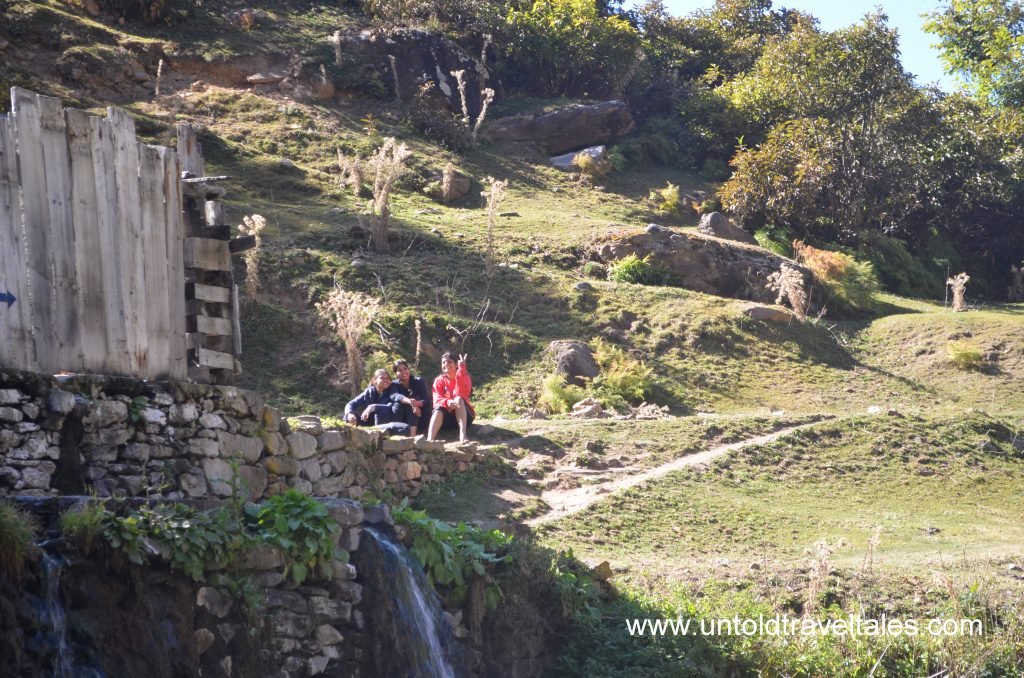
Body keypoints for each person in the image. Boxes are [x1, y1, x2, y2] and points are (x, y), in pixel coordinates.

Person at [427, 352, 474, 443]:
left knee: (459, 399)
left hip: (465, 416)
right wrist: (448, 402)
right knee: (438, 410)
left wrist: (461, 370)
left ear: (456, 365)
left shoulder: (465, 376)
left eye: (449, 362)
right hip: (448, 418)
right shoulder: (439, 380)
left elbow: (463, 393)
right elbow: (437, 400)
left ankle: (463, 435)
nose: (446, 364)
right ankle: (429, 440)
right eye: (444, 362)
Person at [390, 359, 432, 437]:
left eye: (405, 368)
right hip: (402, 417)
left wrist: (417, 403)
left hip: (420, 416)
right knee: (398, 404)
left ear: (408, 369)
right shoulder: (394, 384)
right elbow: (395, 396)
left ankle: (412, 438)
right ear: (395, 373)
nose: (403, 372)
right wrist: (411, 402)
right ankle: (395, 435)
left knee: (410, 406)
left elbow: (427, 400)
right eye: (399, 370)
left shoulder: (419, 381)